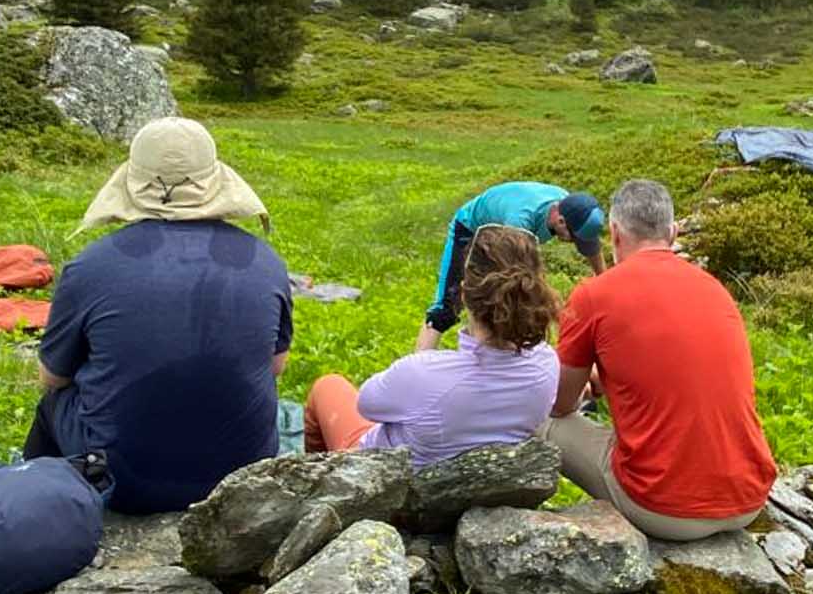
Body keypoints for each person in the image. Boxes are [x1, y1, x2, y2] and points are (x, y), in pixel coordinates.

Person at [24, 117, 292, 514]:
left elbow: (53, 376)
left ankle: (40, 507)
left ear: (130, 184)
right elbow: (276, 365)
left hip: (124, 484)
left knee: (54, 402)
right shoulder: (266, 262)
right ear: (216, 181)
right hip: (239, 479)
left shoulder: (91, 265)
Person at [547, 178, 774, 540]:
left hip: (662, 508)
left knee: (543, 422)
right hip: (749, 499)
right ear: (671, 231)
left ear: (615, 232)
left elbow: (559, 404)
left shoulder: (594, 295)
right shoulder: (714, 288)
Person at [303, 224, 561, 464]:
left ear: (464, 294)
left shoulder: (424, 373)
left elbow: (368, 404)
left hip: (389, 480)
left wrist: (420, 356)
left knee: (328, 386)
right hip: (479, 484)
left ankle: (316, 484)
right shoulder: (547, 364)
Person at [418, 182, 603, 350]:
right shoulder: (521, 220)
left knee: (507, 308)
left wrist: (603, 281)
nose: (572, 243)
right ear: (560, 221)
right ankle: (419, 368)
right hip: (469, 229)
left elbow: (592, 250)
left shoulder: (572, 208)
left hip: (501, 235)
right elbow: (520, 280)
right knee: (449, 307)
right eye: (573, 237)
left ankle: (493, 361)